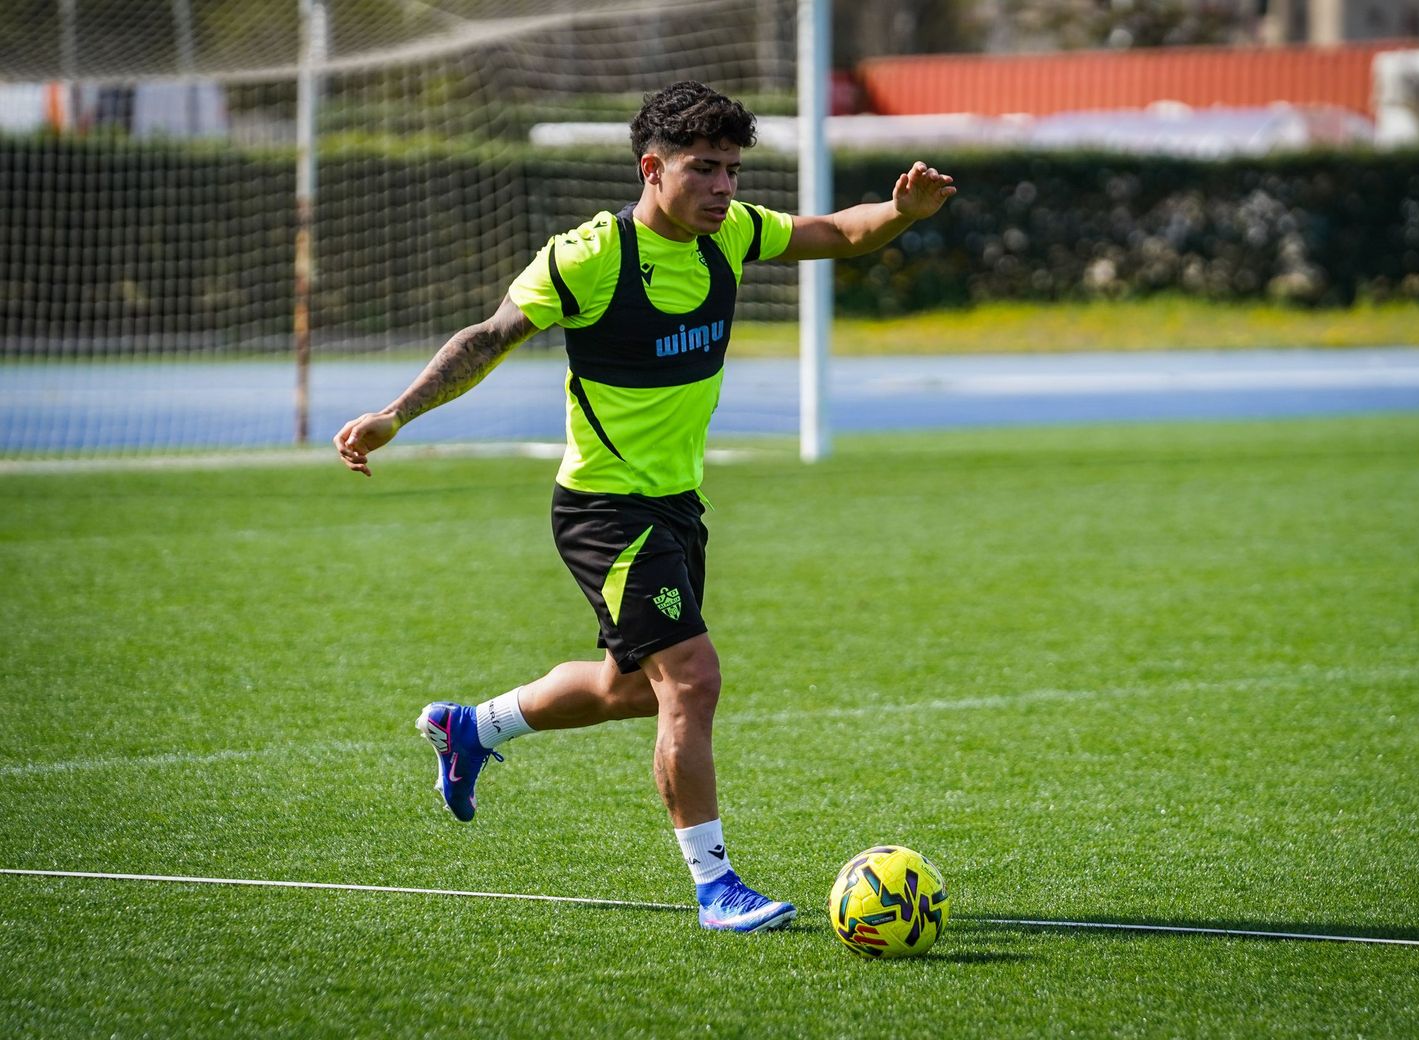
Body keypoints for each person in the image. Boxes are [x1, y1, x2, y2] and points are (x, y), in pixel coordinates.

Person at [334, 81, 955, 933]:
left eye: (734, 170)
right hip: (604, 511)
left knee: (630, 690)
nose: (726, 188)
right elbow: (486, 338)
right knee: (692, 681)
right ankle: (716, 888)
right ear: (652, 168)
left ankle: (471, 728)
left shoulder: (730, 236)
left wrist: (902, 214)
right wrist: (394, 414)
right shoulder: (589, 256)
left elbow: (839, 234)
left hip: (675, 506)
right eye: (706, 169)